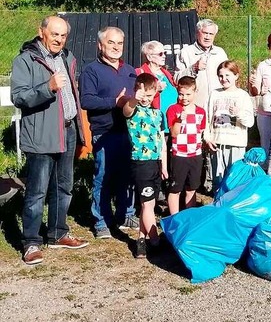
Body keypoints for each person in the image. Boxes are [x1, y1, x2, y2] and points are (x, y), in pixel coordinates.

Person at [11, 15, 89, 265]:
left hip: (67, 130)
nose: (59, 39)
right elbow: (19, 97)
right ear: (42, 32)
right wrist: (49, 87)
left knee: (63, 187)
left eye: (63, 35)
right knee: (37, 192)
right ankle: (31, 242)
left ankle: (58, 233)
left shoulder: (67, 57)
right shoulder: (26, 60)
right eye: (54, 34)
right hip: (41, 133)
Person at [80, 26, 138, 239]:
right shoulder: (91, 70)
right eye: (111, 43)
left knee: (127, 177)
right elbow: (86, 100)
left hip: (129, 132)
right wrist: (114, 102)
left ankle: (126, 214)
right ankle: (102, 221)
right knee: (103, 177)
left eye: (119, 43)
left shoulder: (130, 70)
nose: (116, 47)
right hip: (105, 132)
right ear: (100, 45)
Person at [123, 74, 168, 258]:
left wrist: (164, 166)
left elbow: (161, 141)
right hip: (141, 163)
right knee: (147, 205)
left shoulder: (157, 113)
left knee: (148, 204)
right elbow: (127, 110)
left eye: (150, 96)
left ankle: (141, 240)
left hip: (156, 163)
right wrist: (135, 98)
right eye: (144, 95)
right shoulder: (134, 110)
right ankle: (155, 240)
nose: (146, 100)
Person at [204, 61, 254, 189]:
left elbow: (249, 122)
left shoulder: (242, 95)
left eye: (228, 75)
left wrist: (238, 113)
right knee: (217, 179)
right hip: (217, 142)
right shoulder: (214, 94)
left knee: (234, 178)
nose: (224, 79)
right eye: (221, 76)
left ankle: (232, 205)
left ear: (236, 76)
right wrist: (207, 137)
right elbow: (208, 117)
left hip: (236, 143)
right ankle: (218, 203)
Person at [166, 76, 207, 214]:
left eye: (188, 94)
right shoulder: (173, 110)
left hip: (195, 155)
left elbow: (200, 131)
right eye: (181, 94)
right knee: (175, 189)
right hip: (179, 155)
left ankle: (189, 217)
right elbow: (174, 134)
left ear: (195, 92)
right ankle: (175, 218)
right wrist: (178, 120)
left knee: (192, 189)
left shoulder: (201, 112)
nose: (184, 97)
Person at [174, 19, 228, 108]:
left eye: (211, 34)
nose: (207, 37)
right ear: (197, 33)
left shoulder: (220, 53)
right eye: (205, 33)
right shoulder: (185, 52)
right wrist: (193, 68)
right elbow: (177, 79)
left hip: (219, 105)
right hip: (195, 105)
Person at [137, 40, 178, 133]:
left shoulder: (166, 73)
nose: (164, 56)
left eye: (165, 53)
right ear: (149, 57)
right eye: (160, 54)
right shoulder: (140, 73)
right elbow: (139, 97)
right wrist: (156, 90)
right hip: (156, 125)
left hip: (174, 124)